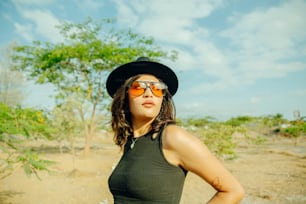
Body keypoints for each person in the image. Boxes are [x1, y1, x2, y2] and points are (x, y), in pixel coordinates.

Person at [106, 57, 245, 204]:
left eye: (157, 88)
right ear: (124, 96)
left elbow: (233, 191)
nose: (149, 93)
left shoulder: (172, 137)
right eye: (138, 88)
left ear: (162, 98)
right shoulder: (131, 140)